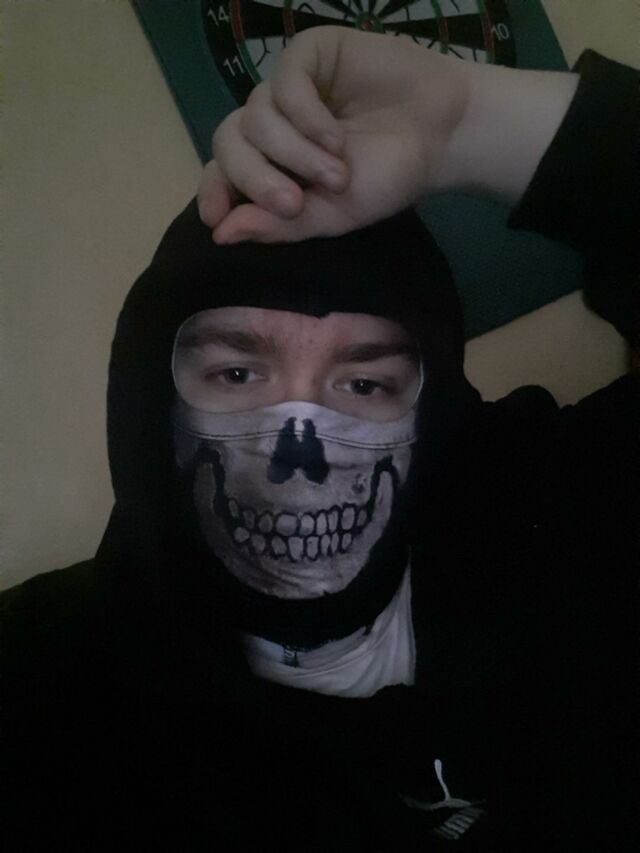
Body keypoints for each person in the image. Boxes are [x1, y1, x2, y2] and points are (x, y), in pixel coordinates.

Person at [2, 26, 638, 853]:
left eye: (364, 384)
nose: (297, 460)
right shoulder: (41, 686)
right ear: (150, 401)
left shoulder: (567, 514)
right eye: (237, 373)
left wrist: (467, 123)